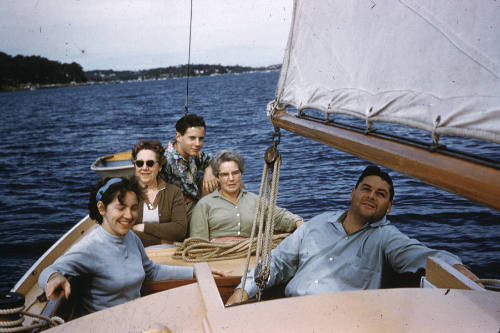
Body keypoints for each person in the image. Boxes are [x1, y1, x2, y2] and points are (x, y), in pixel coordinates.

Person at [226, 165, 481, 305]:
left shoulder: (385, 237)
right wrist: (244, 290)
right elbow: (277, 262)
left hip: (343, 320)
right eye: (366, 189)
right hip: (291, 309)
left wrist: (457, 268)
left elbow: (422, 256)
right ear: (352, 193)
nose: (371, 195)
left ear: (389, 206)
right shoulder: (318, 223)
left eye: (381, 194)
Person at [39, 177, 224, 315]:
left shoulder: (130, 237)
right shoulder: (90, 247)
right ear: (102, 208)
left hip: (136, 319)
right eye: (120, 208)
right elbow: (48, 271)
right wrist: (54, 278)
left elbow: (152, 271)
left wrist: (196, 270)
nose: (128, 215)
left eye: (134, 208)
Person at [189, 150, 304, 241]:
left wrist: (297, 222)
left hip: (250, 255)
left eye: (235, 173)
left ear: (241, 174)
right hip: (217, 257)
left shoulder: (255, 200)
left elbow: (278, 216)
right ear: (218, 177)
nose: (231, 179)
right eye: (225, 175)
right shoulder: (204, 205)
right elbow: (198, 243)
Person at [160, 114, 218, 220]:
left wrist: (209, 170)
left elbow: (215, 159)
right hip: (177, 211)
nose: (197, 144)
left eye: (201, 139)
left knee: (229, 179)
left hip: (195, 201)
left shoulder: (193, 154)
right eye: (192, 138)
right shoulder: (165, 160)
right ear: (178, 137)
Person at [131, 140, 187, 246]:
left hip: (166, 253)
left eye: (150, 163)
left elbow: (180, 229)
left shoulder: (174, 192)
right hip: (135, 251)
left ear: (160, 166)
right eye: (139, 163)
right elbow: (126, 232)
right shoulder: (128, 192)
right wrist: (162, 241)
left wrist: (144, 227)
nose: (144, 168)